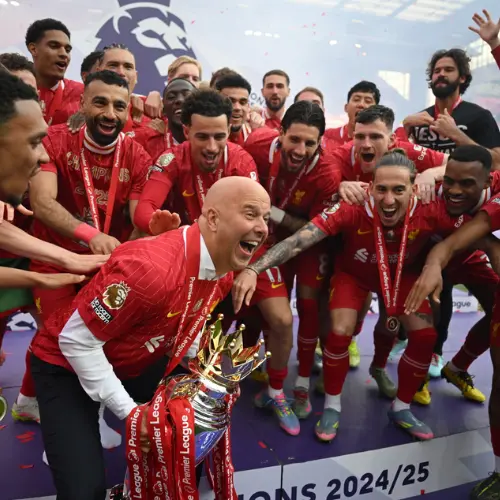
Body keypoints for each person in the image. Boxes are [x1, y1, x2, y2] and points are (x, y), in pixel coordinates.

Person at [29, 176, 270, 500]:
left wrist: (203, 381)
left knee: (188, 429)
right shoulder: (150, 269)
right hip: (65, 365)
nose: (262, 228)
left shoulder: (224, 267)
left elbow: (191, 316)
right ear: (213, 218)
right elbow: (75, 341)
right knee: (83, 492)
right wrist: (131, 414)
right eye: (251, 214)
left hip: (133, 360)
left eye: (265, 218)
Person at [233, 151, 471, 442]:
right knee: (339, 331)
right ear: (369, 188)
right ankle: (332, 407)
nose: (388, 200)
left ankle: (401, 408)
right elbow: (298, 241)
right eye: (381, 189)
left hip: (403, 276)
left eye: (399, 190)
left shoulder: (430, 208)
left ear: (414, 188)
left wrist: (437, 258)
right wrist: (254, 268)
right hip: (353, 276)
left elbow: (478, 226)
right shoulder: (352, 207)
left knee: (425, 336)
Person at [12, 70, 151, 425]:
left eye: (119, 106)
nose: (110, 113)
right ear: (83, 103)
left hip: (105, 265)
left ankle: (29, 400)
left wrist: (152, 229)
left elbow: (139, 218)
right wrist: (91, 236)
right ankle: (48, 409)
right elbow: (43, 203)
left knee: (93, 339)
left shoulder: (137, 155)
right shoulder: (55, 140)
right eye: (100, 102)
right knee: (60, 335)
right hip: (53, 259)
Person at [239, 100, 340, 435]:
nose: (300, 150)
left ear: (320, 142)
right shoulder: (254, 144)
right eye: (294, 139)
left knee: (303, 311)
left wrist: (275, 214)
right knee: (258, 311)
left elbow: (310, 230)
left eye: (309, 143)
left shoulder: (327, 173)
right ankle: (241, 372)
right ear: (279, 132)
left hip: (306, 244)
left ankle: (289, 388)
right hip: (256, 239)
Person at [403, 186, 500, 500]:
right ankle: (419, 376)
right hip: (437, 255)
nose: (456, 188)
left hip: (470, 258)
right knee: (432, 309)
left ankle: (456, 367)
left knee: (492, 305)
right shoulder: (443, 188)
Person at [133, 89, 259, 234]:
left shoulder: (242, 162)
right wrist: (162, 229)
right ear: (187, 132)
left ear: (229, 131)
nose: (211, 147)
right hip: (182, 239)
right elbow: (144, 208)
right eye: (202, 137)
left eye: (219, 137)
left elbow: (255, 215)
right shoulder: (173, 158)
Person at [25, 18, 83, 126]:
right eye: (54, 46)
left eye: (67, 50)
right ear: (33, 49)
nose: (64, 54)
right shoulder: (13, 90)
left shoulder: (83, 94)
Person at [132, 77, 196, 161]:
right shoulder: (143, 143)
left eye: (187, 96)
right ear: (163, 109)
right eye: (171, 97)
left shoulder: (209, 141)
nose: (179, 100)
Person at [324, 80, 380, 147]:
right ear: (346, 107)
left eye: (368, 101)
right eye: (356, 99)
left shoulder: (382, 141)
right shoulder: (326, 136)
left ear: (376, 110)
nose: (361, 104)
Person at [216, 74, 253, 146]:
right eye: (230, 101)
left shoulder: (254, 137)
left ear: (248, 107)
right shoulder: (204, 137)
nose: (237, 108)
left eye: (242, 102)